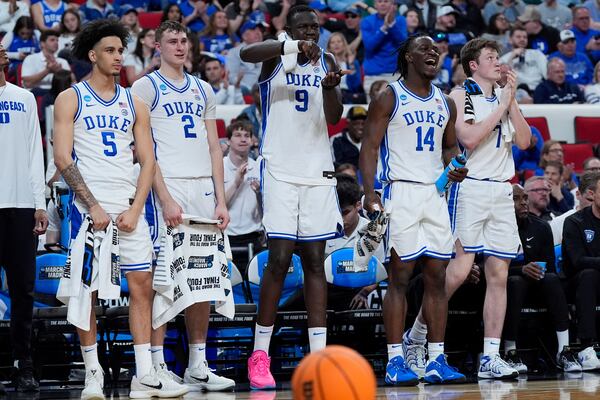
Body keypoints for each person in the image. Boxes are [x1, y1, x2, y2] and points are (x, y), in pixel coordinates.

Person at [53, 18, 185, 399]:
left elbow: (148, 162)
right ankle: (93, 371)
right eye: (110, 50)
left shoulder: (134, 101)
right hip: (87, 208)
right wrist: (91, 205)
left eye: (120, 50)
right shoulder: (71, 98)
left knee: (142, 287)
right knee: (86, 292)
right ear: (92, 54)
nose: (117, 56)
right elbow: (62, 157)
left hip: (129, 207)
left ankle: (144, 373)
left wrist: (137, 207)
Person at [404, 37, 531, 380]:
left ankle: (490, 356)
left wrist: (511, 100)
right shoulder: (459, 96)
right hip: (470, 187)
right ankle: (416, 335)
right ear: (474, 65)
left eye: (498, 56)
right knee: (458, 273)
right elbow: (469, 139)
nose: (498, 61)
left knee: (499, 275)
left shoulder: (503, 97)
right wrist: (502, 104)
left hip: (502, 190)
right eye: (491, 57)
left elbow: (524, 141)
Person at [240, 4, 346, 390]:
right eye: (304, 27)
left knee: (316, 260)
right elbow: (245, 53)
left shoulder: (327, 58)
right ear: (288, 29)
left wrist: (331, 87)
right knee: (280, 258)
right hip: (280, 169)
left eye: (315, 28)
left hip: (318, 168)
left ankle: (318, 356)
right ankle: (260, 354)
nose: (311, 33)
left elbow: (334, 118)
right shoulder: (276, 54)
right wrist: (291, 47)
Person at [130, 20, 234, 392]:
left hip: (202, 188)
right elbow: (146, 151)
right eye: (171, 41)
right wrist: (165, 197)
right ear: (157, 46)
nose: (179, 46)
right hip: (167, 187)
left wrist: (221, 198)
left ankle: (198, 364)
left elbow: (213, 147)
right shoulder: (144, 87)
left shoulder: (203, 89)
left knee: (202, 276)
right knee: (163, 277)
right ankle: (156, 364)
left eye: (183, 40)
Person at [360, 34, 468, 385]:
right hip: (400, 193)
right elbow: (369, 148)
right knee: (400, 278)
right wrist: (369, 192)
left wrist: (456, 166)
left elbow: (449, 148)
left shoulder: (445, 102)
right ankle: (394, 360)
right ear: (407, 57)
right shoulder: (388, 95)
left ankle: (435, 358)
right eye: (424, 49)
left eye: (436, 50)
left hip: (434, 197)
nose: (432, 53)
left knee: (437, 278)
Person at [0, 43, 48, 393]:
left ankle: (24, 364)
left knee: (23, 292)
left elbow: (35, 152)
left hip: (20, 204)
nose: (3, 50)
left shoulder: (24, 97)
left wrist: (40, 202)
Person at [503, 184, 581, 373]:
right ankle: (509, 352)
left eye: (524, 198)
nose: (523, 203)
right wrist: (521, 269)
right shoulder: (496, 228)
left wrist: (537, 272)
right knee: (516, 282)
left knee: (552, 278)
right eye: (516, 199)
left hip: (539, 287)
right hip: (505, 289)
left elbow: (550, 268)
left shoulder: (541, 227)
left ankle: (564, 350)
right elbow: (487, 268)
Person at [325, 174, 383, 311]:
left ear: (358, 205)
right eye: (336, 212)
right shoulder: (324, 229)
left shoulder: (372, 230)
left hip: (360, 289)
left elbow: (380, 271)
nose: (341, 219)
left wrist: (364, 292)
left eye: (345, 212)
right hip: (329, 289)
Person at [563, 171, 600, 370]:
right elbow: (577, 261)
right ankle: (586, 348)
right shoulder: (575, 222)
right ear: (592, 195)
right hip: (577, 282)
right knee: (589, 275)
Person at [223, 120, 264, 275]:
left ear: (252, 140)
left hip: (253, 237)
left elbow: (267, 209)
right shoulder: (219, 167)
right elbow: (217, 206)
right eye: (238, 135)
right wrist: (236, 183)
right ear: (228, 140)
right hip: (227, 237)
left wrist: (260, 193)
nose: (243, 139)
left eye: (247, 135)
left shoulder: (259, 167)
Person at [361, 0, 408, 97]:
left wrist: (392, 25)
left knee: (398, 111)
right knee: (374, 111)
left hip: (396, 74)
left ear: (392, 4)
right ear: (375, 4)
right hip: (373, 75)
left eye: (386, 1)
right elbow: (369, 46)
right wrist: (384, 28)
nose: (382, 4)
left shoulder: (400, 20)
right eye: (379, 1)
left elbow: (404, 45)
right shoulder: (366, 21)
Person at [21, 30, 70, 96]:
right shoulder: (31, 58)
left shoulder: (62, 61)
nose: (56, 43)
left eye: (57, 40)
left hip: (58, 92)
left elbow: (72, 81)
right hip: (35, 92)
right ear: (42, 44)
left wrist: (59, 71)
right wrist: (47, 71)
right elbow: (27, 84)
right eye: (52, 40)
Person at [499, 27, 547, 93]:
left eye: (525, 37)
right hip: (516, 91)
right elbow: (502, 80)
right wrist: (512, 57)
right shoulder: (504, 59)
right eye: (518, 37)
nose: (522, 39)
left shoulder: (537, 54)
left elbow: (547, 74)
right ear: (510, 39)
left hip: (539, 90)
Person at [226, 20, 264, 94]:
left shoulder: (268, 50)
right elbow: (231, 77)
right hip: (243, 93)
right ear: (244, 36)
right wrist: (244, 88)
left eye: (259, 30)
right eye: (253, 30)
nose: (258, 32)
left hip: (264, 92)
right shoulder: (234, 53)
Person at [327, 32, 365, 104]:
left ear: (344, 45)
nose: (336, 44)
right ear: (329, 47)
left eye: (339, 41)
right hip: (331, 97)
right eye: (332, 42)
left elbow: (356, 86)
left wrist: (351, 65)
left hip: (348, 97)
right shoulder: (326, 63)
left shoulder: (353, 62)